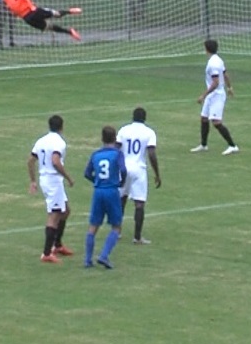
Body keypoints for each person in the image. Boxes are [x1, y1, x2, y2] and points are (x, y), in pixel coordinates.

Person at [28, 114, 74, 263]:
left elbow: (30, 160)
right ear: (62, 127)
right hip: (53, 181)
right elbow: (55, 161)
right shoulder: (59, 142)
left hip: (45, 179)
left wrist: (33, 181)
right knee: (54, 215)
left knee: (65, 210)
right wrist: (68, 177)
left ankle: (58, 244)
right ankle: (47, 253)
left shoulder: (41, 141)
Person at [82, 125, 127, 269]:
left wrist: (96, 181)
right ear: (115, 139)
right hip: (111, 191)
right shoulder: (117, 154)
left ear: (102, 139)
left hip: (98, 192)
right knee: (116, 226)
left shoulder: (96, 155)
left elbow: (87, 173)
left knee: (93, 226)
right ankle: (104, 255)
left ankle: (88, 260)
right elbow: (124, 170)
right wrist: (121, 182)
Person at [116, 106, 161, 245]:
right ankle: (137, 237)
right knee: (139, 203)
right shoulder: (149, 132)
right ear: (144, 118)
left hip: (123, 168)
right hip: (139, 169)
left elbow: (116, 149)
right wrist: (157, 173)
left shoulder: (124, 130)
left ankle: (116, 231)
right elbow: (151, 153)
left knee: (121, 200)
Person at [192, 38, 239, 154]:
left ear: (206, 49)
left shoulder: (213, 64)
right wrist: (229, 87)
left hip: (216, 95)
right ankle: (203, 145)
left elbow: (216, 82)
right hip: (212, 95)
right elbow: (225, 74)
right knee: (204, 118)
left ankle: (233, 146)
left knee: (216, 122)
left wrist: (203, 95)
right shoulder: (218, 60)